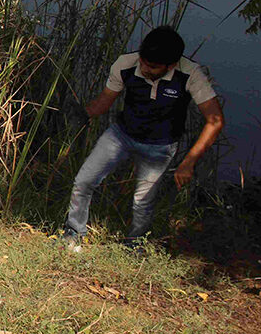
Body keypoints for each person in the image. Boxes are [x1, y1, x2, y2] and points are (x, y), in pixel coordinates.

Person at [60, 26, 225, 250]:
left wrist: (188, 162)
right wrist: (81, 114)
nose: (145, 68)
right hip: (121, 135)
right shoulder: (125, 64)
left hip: (160, 146)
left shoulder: (191, 74)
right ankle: (73, 234)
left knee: (142, 202)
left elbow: (215, 121)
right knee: (84, 181)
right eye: (143, 62)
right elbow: (104, 101)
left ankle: (135, 246)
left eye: (153, 67)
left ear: (172, 65)